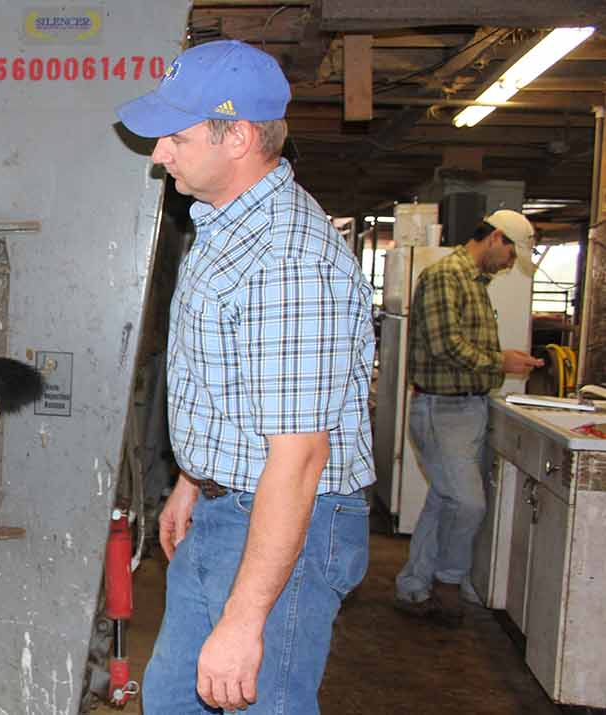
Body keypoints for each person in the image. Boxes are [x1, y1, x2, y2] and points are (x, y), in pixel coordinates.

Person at [116, 39, 376, 713]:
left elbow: (300, 456)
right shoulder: (225, 229)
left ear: (238, 138)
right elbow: (223, 382)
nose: (158, 153)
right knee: (173, 697)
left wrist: (245, 618)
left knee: (260, 697)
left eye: (174, 136)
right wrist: (192, 482)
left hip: (287, 517)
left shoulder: (288, 260)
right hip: (227, 507)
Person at [394, 209, 543, 626]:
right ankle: (448, 582)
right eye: (512, 255)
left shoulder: (475, 282)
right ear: (496, 237)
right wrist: (503, 362)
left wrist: (500, 363)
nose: (511, 265)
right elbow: (446, 346)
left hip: (465, 407)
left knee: (444, 500)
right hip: (444, 409)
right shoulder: (447, 276)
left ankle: (414, 586)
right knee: (468, 503)